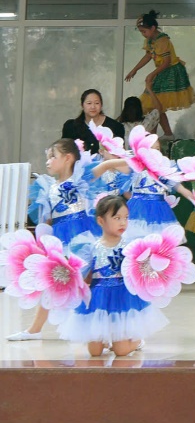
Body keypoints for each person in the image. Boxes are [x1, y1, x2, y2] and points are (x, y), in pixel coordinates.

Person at [9, 138, 102, 342]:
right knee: (52, 281)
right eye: (48, 158)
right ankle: (35, 329)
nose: (48, 162)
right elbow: (48, 218)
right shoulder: (48, 186)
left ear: (68, 158)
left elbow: (103, 167)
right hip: (59, 237)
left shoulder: (80, 179)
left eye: (53, 157)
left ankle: (107, 331)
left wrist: (125, 159)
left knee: (90, 281)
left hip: (82, 234)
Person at [57, 194, 169, 358]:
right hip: (98, 298)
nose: (123, 222)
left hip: (122, 297)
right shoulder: (91, 247)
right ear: (101, 221)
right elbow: (84, 274)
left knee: (121, 351)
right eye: (116, 218)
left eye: (126, 217)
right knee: (94, 352)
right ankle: (105, 339)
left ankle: (136, 340)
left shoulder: (130, 245)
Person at [125, 11, 195, 137]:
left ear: (153, 28)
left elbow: (166, 62)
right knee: (155, 106)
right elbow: (148, 55)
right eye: (141, 32)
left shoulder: (162, 40)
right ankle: (163, 134)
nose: (143, 35)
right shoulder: (150, 40)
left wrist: (152, 75)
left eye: (144, 31)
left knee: (156, 104)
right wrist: (135, 69)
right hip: (162, 71)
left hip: (171, 71)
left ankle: (166, 134)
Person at [60, 89, 126, 155]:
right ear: (82, 105)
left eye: (97, 103)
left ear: (101, 105)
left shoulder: (116, 126)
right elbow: (64, 152)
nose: (93, 107)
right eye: (89, 103)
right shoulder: (71, 126)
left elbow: (121, 154)